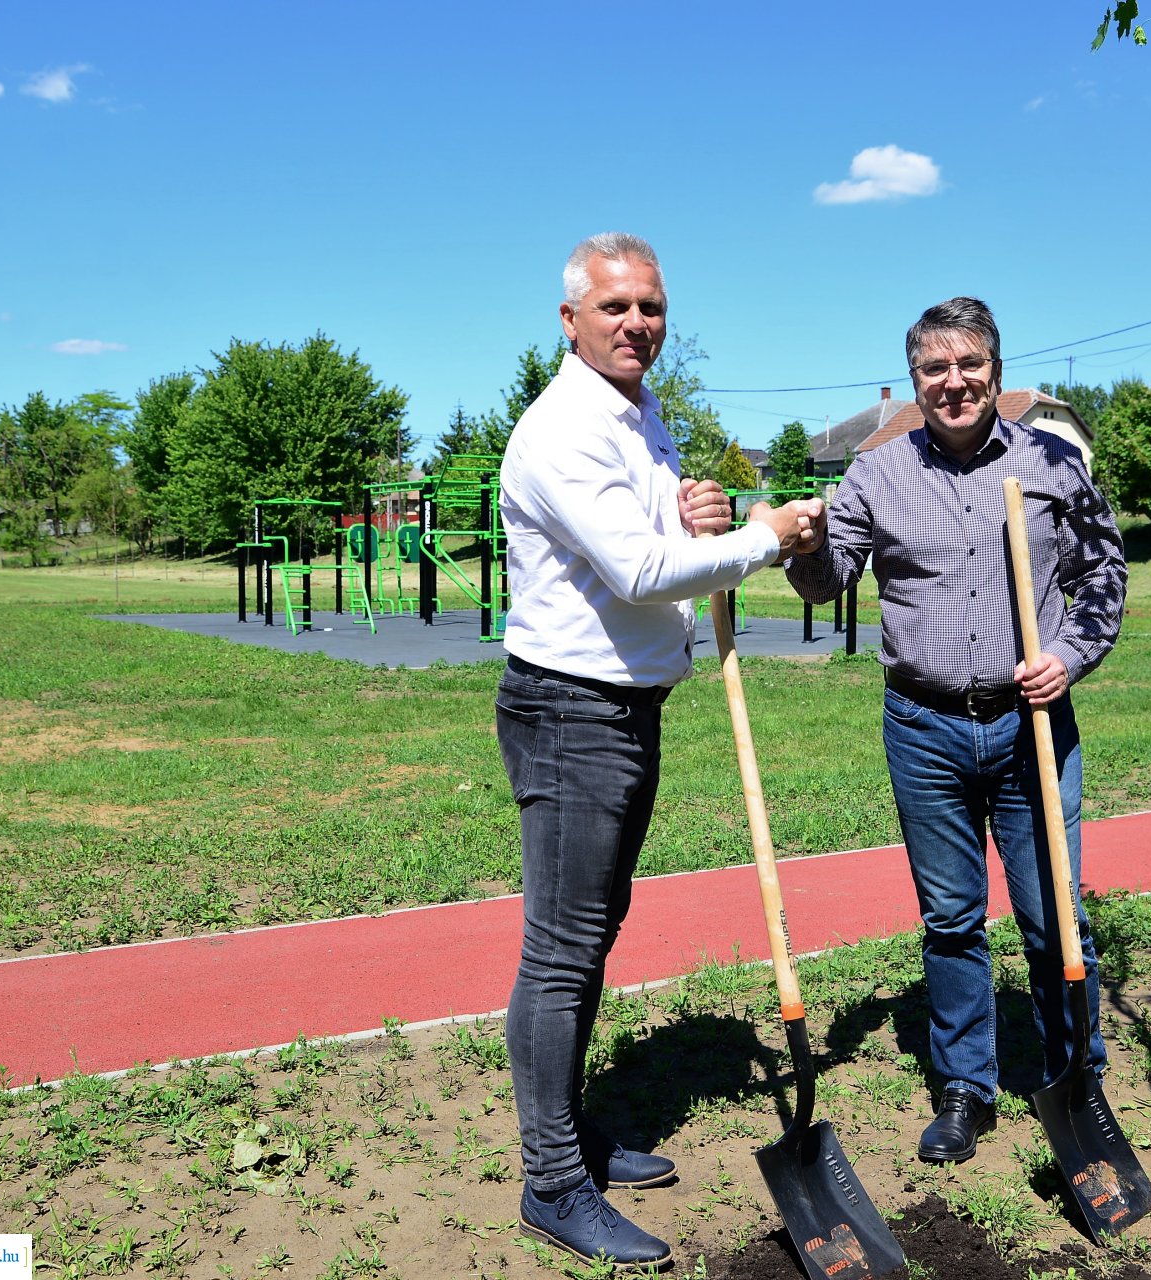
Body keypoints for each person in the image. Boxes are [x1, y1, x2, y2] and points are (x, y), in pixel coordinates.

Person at [496, 231, 823, 1268]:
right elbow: (641, 571)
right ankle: (553, 1179)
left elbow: (665, 535)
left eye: (652, 308)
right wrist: (766, 535)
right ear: (570, 320)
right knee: (560, 950)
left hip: (627, 707)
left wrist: (704, 512)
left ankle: (575, 1130)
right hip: (570, 710)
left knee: (591, 934)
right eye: (617, 307)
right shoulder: (560, 429)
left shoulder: (641, 413)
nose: (638, 323)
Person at [787, 297, 1126, 1164]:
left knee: (1054, 917)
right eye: (935, 369)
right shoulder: (878, 473)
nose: (954, 382)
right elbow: (827, 585)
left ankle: (1074, 1082)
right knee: (950, 920)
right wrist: (804, 543)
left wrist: (1068, 655)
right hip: (925, 728)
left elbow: (1104, 579)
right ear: (916, 383)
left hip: (1031, 727)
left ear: (996, 373)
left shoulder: (1054, 464)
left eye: (969, 364)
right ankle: (965, 1088)